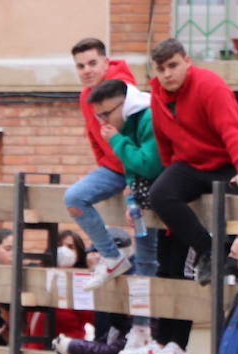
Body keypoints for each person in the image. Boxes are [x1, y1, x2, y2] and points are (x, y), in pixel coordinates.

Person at [146, 37, 238, 286]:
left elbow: (232, 130)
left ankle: (236, 261)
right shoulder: (157, 96)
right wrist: (170, 177)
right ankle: (210, 250)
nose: (167, 74)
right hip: (191, 163)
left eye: (173, 65)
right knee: (159, 194)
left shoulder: (210, 85)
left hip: (229, 162)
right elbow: (164, 142)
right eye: (161, 68)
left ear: (187, 62)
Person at [84, 76, 175, 354]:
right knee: (145, 266)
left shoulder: (146, 117)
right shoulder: (126, 123)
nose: (103, 122)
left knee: (154, 268)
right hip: (143, 200)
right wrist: (131, 197)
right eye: (98, 116)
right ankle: (140, 329)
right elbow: (132, 171)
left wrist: (117, 140)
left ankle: (148, 332)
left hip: (167, 202)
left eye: (107, 114)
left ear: (123, 104)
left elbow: (148, 164)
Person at [63, 38, 137, 290]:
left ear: (106, 62)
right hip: (112, 168)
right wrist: (103, 164)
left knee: (146, 243)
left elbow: (139, 138)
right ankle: (112, 257)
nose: (87, 70)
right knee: (74, 197)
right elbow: (94, 136)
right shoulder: (86, 96)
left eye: (93, 63)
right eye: (81, 66)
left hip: (140, 169)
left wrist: (134, 181)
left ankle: (143, 326)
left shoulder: (123, 89)